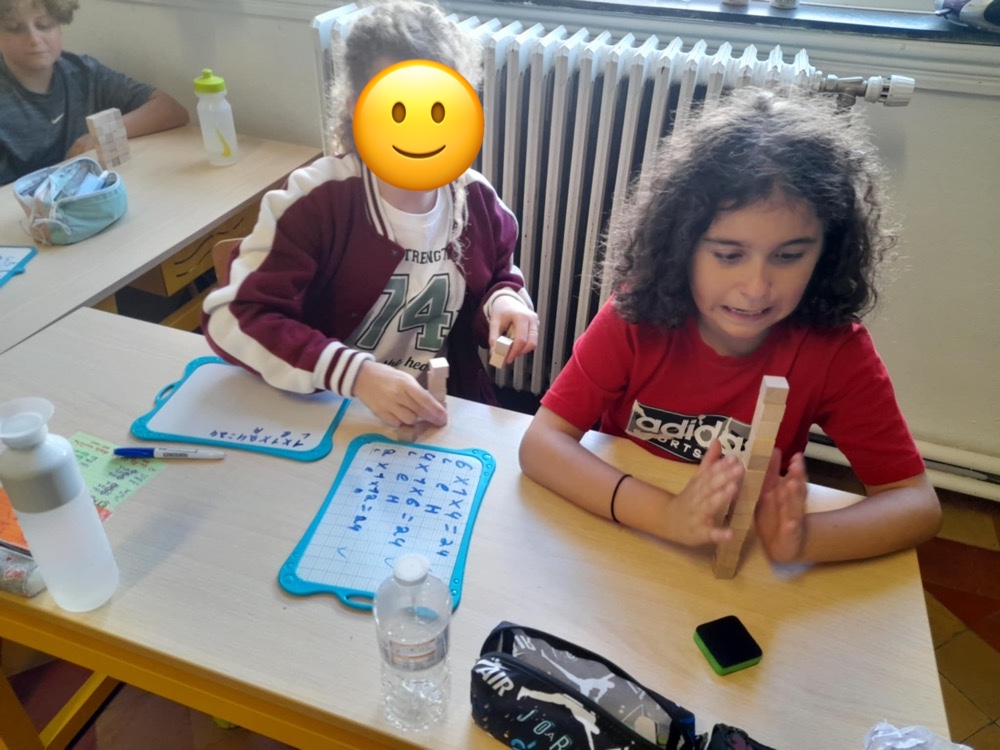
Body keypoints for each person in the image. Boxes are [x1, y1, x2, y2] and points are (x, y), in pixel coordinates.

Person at [519, 88, 941, 566]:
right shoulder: (635, 318)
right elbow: (541, 444)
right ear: (681, 246)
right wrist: (664, 515)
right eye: (728, 255)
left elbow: (917, 504)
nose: (756, 288)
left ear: (827, 251)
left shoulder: (835, 352)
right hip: (623, 540)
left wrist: (805, 540)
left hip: (735, 561)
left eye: (789, 256)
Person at [202, 0, 538, 432]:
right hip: (333, 412)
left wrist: (505, 301)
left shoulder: (476, 201)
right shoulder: (316, 201)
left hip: (439, 407)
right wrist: (356, 375)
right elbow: (231, 316)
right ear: (354, 107)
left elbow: (497, 276)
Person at [0, 0, 189, 185]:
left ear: (60, 27)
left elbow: (171, 110)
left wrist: (99, 136)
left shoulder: (84, 73)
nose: (34, 39)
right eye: (15, 28)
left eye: (45, 25)